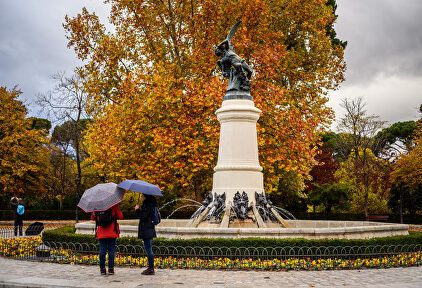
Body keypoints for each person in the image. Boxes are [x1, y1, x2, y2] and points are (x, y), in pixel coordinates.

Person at [91, 204, 123, 275]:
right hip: (112, 231)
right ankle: (111, 269)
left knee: (102, 250)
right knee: (111, 251)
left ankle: (102, 269)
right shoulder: (114, 205)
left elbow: (93, 218)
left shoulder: (96, 206)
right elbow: (121, 216)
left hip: (101, 232)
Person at [135, 194, 157, 275]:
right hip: (149, 229)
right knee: (148, 249)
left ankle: (151, 268)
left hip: (147, 230)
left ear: (146, 197)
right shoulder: (151, 204)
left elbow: (143, 217)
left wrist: (137, 210)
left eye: (142, 196)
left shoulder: (147, 205)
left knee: (148, 250)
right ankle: (150, 268)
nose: (141, 197)